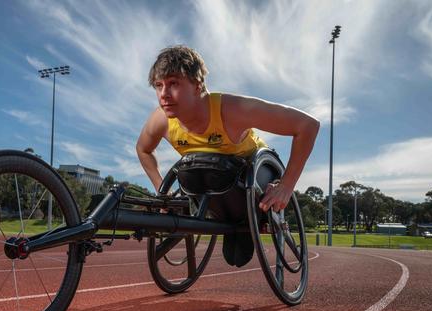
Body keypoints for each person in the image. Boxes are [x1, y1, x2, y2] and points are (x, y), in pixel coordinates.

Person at [136, 45, 319, 267]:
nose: (164, 94)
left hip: (255, 176)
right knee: (189, 173)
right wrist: (162, 192)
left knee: (216, 175)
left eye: (173, 83)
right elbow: (143, 149)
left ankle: (247, 222)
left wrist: (286, 186)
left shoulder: (232, 109)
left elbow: (307, 125)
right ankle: (228, 223)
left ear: (197, 85)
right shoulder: (161, 120)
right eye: (158, 85)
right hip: (212, 184)